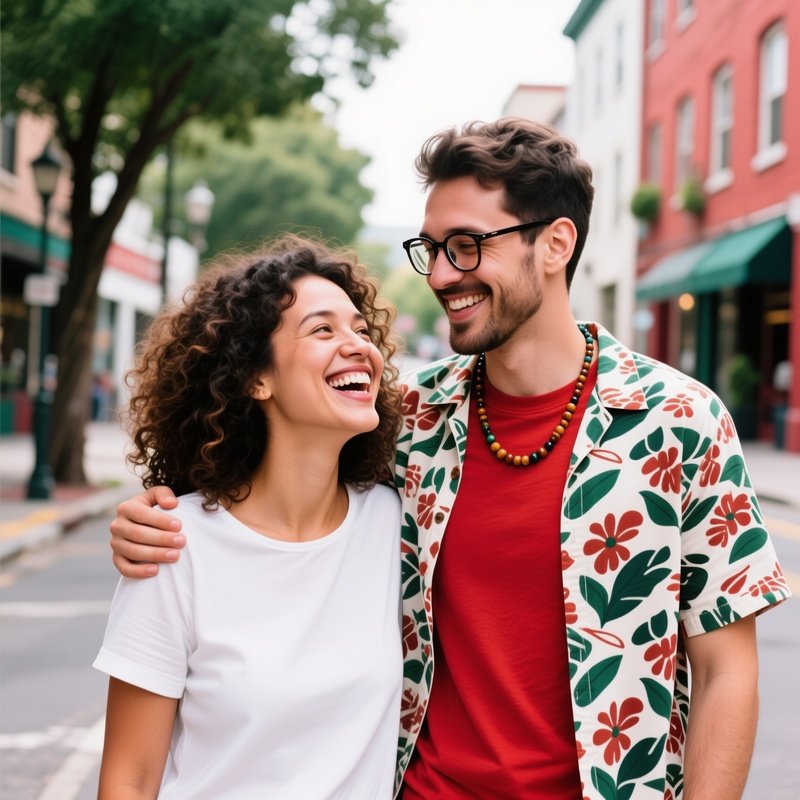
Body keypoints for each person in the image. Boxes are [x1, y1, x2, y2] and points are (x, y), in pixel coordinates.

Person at [109, 119, 791, 800]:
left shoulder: (682, 423)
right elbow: (276, 476)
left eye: (466, 247)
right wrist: (153, 515)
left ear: (556, 244)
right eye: (430, 250)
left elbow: (726, 672)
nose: (440, 275)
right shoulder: (408, 420)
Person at [95, 235, 405, 798]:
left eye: (362, 330)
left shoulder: (398, 523)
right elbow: (129, 781)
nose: (358, 346)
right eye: (323, 330)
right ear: (255, 378)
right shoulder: (173, 546)